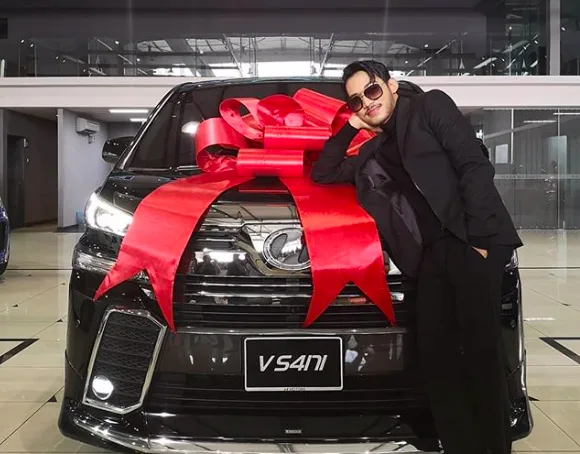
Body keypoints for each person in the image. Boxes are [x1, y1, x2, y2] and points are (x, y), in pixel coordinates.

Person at [311, 60, 523, 454]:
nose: (366, 103)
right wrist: (350, 127)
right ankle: (459, 446)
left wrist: (477, 241)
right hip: (431, 258)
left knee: (481, 354)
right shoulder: (372, 151)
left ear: (391, 85)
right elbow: (323, 173)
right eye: (356, 100)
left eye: (371, 90)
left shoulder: (430, 106)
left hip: (471, 242)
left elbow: (473, 166)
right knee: (436, 358)